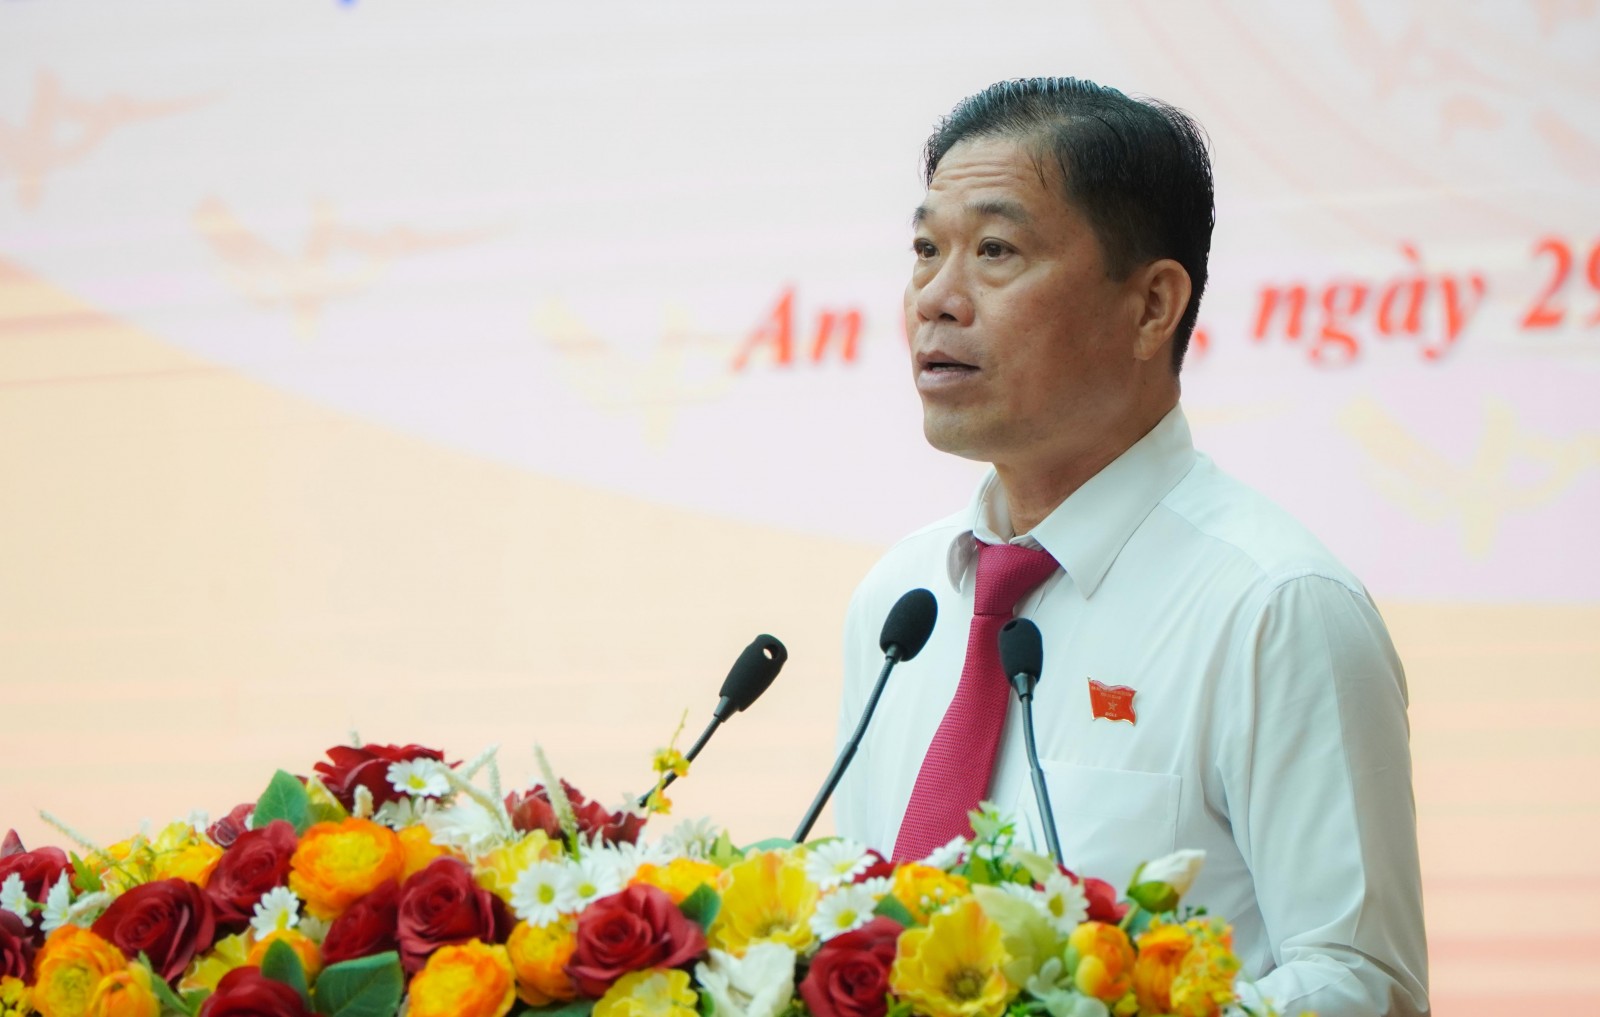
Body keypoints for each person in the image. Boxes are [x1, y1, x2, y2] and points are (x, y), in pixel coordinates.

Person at [832, 78, 1429, 1017]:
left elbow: (1363, 984)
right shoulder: (901, 601)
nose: (936, 299)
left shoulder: (1275, 606)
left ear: (1152, 306)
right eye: (925, 250)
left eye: (995, 251)